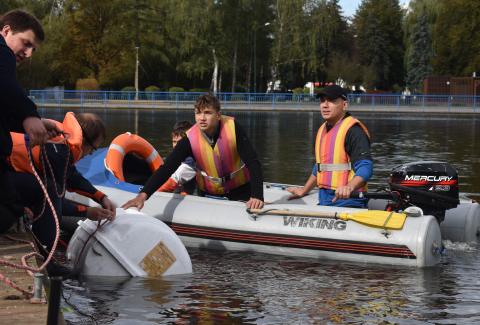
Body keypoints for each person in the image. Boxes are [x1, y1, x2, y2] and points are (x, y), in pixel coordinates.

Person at [122, 94, 264, 210]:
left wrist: (257, 195)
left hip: (239, 188)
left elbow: (253, 162)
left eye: (207, 113)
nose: (202, 118)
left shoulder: (233, 128)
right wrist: (143, 195)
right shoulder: (189, 138)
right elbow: (167, 168)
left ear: (218, 115)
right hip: (208, 193)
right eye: (198, 113)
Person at [8, 112, 116, 254]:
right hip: (5, 177)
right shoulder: (58, 153)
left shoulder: (61, 143)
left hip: (8, 175)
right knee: (49, 193)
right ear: (85, 141)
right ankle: (45, 253)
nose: (90, 154)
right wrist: (87, 212)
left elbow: (72, 176)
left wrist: (101, 197)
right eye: (93, 149)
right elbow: (55, 202)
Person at [0, 10, 61, 234]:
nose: (28, 53)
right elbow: (4, 84)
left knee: (12, 206)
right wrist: (30, 115)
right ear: (6, 31)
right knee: (11, 208)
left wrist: (37, 121)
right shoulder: (2, 52)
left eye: (32, 49)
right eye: (26, 43)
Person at [287, 85, 373, 208]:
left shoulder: (354, 131)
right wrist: (304, 190)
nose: (325, 105)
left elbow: (366, 168)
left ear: (344, 105)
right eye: (322, 101)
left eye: (332, 101)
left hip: (348, 201)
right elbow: (320, 167)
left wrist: (349, 187)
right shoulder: (323, 129)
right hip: (325, 198)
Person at [158, 120, 196, 194]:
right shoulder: (175, 157)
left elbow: (172, 181)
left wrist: (150, 193)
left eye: (179, 142)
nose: (175, 145)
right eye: (174, 142)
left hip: (193, 196)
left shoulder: (191, 161)